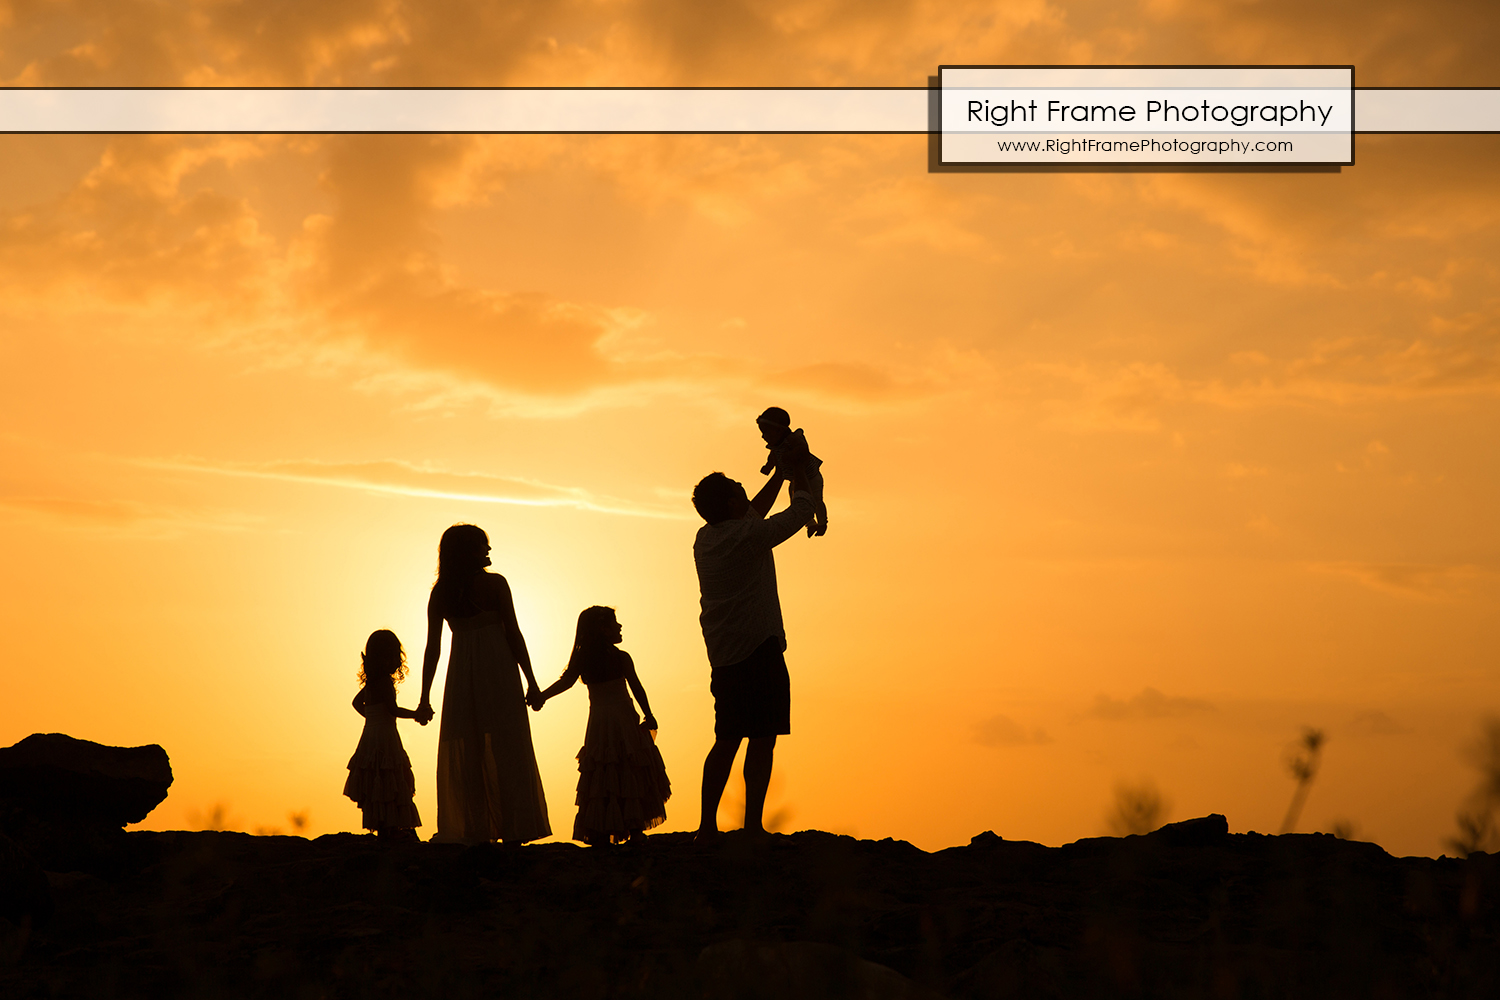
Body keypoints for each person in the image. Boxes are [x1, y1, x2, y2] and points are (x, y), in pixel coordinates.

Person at [691, 468, 816, 840]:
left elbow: (752, 513)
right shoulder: (748, 535)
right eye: (739, 491)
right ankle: (752, 826)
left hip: (724, 655)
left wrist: (779, 474)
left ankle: (707, 827)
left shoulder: (705, 538)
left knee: (726, 739)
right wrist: (803, 481)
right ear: (732, 503)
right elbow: (795, 515)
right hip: (759, 648)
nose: (746, 492)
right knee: (762, 740)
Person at [415, 524, 551, 845]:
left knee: (470, 745)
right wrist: (531, 681)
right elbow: (513, 634)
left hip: (462, 672)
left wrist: (425, 698)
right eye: (481, 546)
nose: (488, 551)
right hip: (498, 669)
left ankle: (475, 830)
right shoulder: (494, 584)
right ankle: (511, 830)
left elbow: (433, 648)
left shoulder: (441, 592)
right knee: (507, 744)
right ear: (467, 552)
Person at [531, 606, 671, 846]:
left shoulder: (585, 659)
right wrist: (648, 714)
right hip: (624, 720)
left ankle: (604, 830)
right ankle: (635, 829)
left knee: (604, 771)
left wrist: (541, 696)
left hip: (599, 723)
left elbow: (566, 682)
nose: (619, 626)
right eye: (614, 623)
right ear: (601, 629)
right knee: (629, 767)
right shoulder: (620, 657)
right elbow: (637, 688)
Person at [343, 629, 422, 839]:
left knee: (376, 776)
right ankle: (393, 825)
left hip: (370, 735)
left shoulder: (371, 683)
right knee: (392, 776)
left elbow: (356, 703)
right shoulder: (385, 682)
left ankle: (383, 825)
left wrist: (372, 718)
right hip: (386, 737)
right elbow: (393, 710)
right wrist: (416, 714)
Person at [757, 406, 827, 537]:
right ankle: (810, 524)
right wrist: (768, 466)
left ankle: (822, 523)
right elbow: (772, 457)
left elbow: (803, 450)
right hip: (796, 480)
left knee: (816, 500)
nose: (763, 436)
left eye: (766, 432)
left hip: (811, 477)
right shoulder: (775, 447)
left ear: (778, 430)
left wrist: (791, 455)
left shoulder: (793, 439)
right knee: (797, 502)